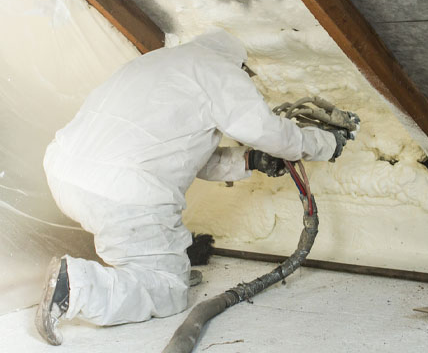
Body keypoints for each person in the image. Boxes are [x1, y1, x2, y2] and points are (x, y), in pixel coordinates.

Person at [35, 29, 351, 345]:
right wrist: (326, 143)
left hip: (65, 174)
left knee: (150, 257)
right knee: (168, 290)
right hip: (123, 193)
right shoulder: (219, 71)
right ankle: (74, 286)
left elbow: (186, 154)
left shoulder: (156, 62)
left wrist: (250, 160)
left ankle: (137, 269)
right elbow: (271, 133)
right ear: (238, 65)